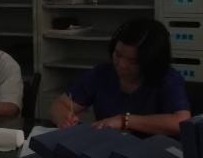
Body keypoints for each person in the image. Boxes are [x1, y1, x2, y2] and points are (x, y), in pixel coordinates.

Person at [49, 18, 190, 135]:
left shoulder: (167, 79)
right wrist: (64, 118)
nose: (121, 65)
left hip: (153, 153)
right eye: (118, 54)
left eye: (133, 61)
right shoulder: (102, 73)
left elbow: (180, 122)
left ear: (151, 61)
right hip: (108, 148)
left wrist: (125, 121)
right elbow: (60, 104)